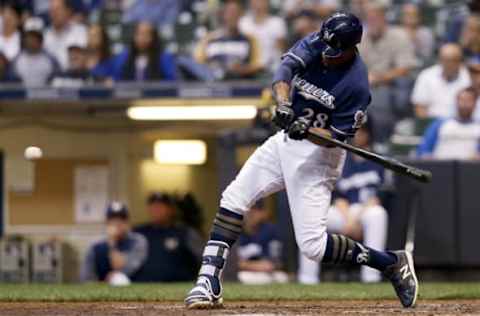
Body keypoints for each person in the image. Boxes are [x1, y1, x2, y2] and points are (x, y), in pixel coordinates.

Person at [185, 12, 418, 310]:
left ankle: (391, 262)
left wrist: (307, 129)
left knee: (313, 247)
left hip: (319, 157)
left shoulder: (356, 85)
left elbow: (334, 136)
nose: (325, 55)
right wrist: (283, 105)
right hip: (285, 142)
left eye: (333, 52)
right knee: (233, 197)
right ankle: (208, 281)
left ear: (349, 49)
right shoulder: (319, 41)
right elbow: (284, 71)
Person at [359, 2, 417, 142]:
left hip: (391, 87)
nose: (372, 23)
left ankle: (381, 143)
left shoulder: (399, 36)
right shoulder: (361, 38)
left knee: (379, 99)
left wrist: (379, 78)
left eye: (375, 19)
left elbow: (406, 69)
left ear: (383, 18)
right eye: (369, 19)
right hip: (365, 85)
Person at [133, 193, 203, 282]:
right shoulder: (139, 232)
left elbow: (204, 258)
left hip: (179, 285)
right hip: (144, 284)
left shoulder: (184, 232)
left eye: (161, 206)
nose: (157, 210)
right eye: (154, 207)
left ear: (170, 209)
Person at [81, 202, 148, 284]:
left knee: (119, 279)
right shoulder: (96, 246)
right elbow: (86, 277)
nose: (117, 223)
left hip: (134, 289)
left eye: (121, 219)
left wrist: (113, 243)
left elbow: (122, 267)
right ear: (106, 222)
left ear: (127, 222)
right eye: (113, 219)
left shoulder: (137, 241)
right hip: (102, 290)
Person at [194, 0, 262, 80]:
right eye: (229, 12)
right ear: (223, 14)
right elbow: (197, 63)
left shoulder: (250, 40)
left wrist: (241, 69)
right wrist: (213, 67)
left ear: (241, 15)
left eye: (235, 13)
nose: (232, 16)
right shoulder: (209, 39)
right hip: (212, 83)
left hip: (240, 83)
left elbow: (257, 65)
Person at [417, 87, 480, 160]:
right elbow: (424, 150)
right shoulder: (440, 124)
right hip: (440, 167)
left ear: (475, 103)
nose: (464, 104)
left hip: (469, 168)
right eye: (462, 100)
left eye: (469, 100)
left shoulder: (478, 127)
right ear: (456, 102)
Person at [411, 44, 471, 119]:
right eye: (446, 60)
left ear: (460, 61)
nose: (450, 64)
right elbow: (420, 108)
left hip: (461, 123)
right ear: (440, 60)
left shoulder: (469, 77)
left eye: (454, 60)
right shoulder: (426, 76)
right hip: (433, 122)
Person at [237, 202, 287, 284]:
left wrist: (245, 264)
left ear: (263, 213)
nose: (251, 213)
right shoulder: (235, 231)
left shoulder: (270, 231)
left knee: (282, 277)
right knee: (240, 277)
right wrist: (254, 266)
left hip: (266, 274)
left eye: (255, 210)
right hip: (244, 273)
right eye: (248, 210)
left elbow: (276, 263)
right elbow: (230, 265)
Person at [111, 21, 176, 81]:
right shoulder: (124, 56)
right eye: (138, 34)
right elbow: (116, 79)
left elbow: (171, 81)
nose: (141, 38)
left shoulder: (164, 57)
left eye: (146, 34)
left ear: (154, 37)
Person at [239, 0, 287, 72]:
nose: (258, 3)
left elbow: (281, 51)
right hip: (247, 69)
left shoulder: (277, 22)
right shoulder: (243, 22)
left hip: (270, 70)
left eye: (261, 1)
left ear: (267, 3)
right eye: (254, 1)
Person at [11, 17, 59, 87]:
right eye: (29, 36)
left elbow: (56, 82)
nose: (32, 40)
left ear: (41, 38)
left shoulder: (51, 60)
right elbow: (12, 84)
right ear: (24, 38)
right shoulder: (16, 60)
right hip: (22, 97)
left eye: (35, 36)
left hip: (46, 96)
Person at [44, 0, 87, 70]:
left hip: (75, 76)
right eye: (52, 10)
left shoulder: (81, 32)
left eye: (58, 9)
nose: (54, 13)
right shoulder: (44, 36)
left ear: (68, 11)